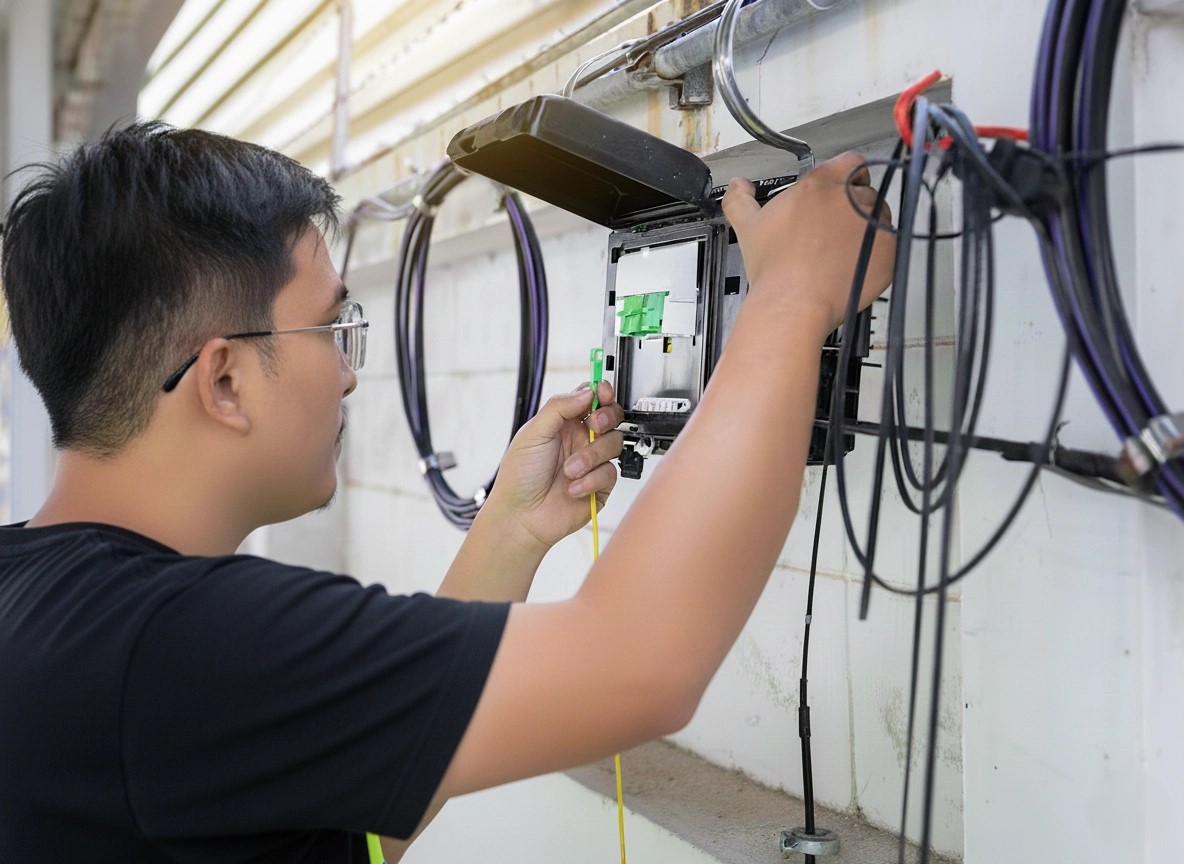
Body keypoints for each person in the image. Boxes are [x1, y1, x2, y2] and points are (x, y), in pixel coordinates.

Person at [0, 122, 894, 862]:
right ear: (224, 381)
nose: (348, 377)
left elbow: (360, 830)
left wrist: (511, 531)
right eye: (332, 327)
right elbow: (640, 668)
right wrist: (792, 300)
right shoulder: (181, 642)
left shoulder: (40, 603)